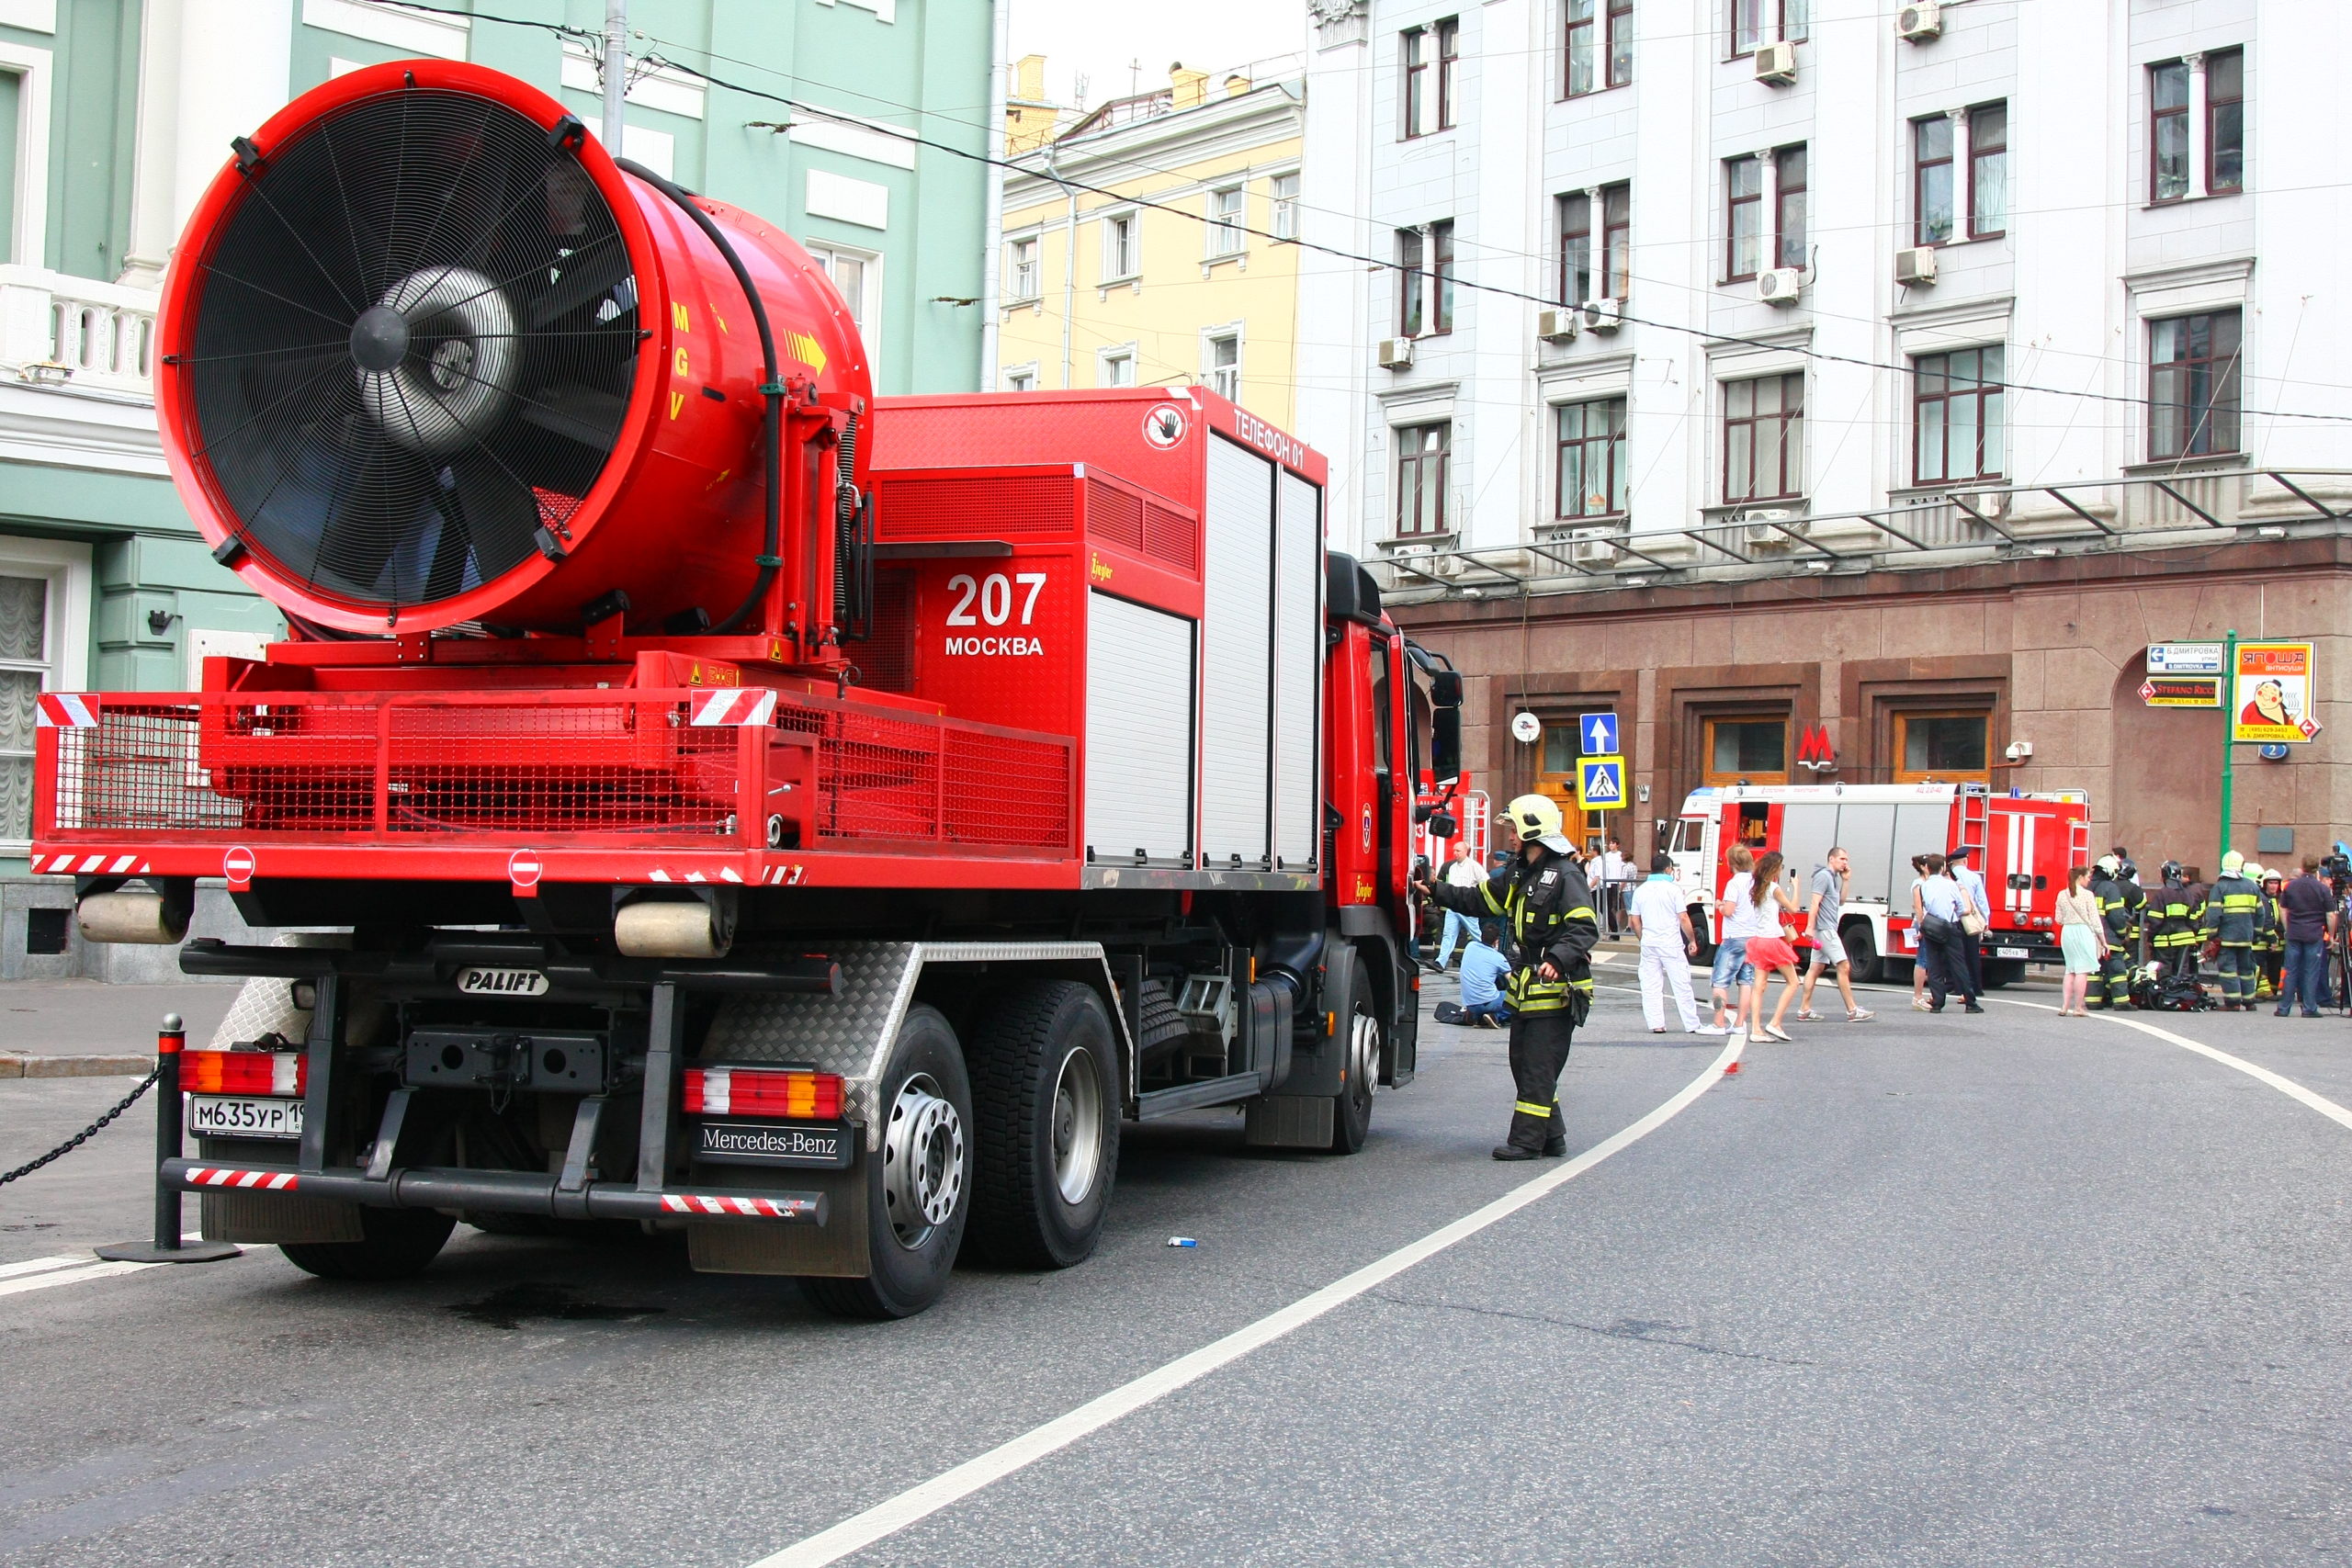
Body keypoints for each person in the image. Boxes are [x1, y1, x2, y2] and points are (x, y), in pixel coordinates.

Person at [1418, 794, 1600, 1160]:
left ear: (1533, 829)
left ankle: (1526, 1142)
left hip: (1557, 987)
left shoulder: (1566, 875)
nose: (1511, 836)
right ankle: (1552, 1137)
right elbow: (1480, 900)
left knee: (1536, 1064)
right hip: (1528, 986)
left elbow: (1584, 926)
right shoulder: (1521, 873)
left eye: (1515, 828)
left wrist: (1559, 959)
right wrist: (1436, 890)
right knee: (1525, 1061)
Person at [1796, 847, 1874, 1023]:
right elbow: (1814, 902)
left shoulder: (1833, 878)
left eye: (1846, 859)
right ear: (1831, 859)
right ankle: (1852, 1010)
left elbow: (1841, 901)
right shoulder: (1823, 876)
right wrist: (1809, 927)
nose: (1845, 862)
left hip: (1825, 928)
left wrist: (1845, 881)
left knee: (1815, 968)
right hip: (1825, 929)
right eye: (1842, 859)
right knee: (1844, 965)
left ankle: (1804, 1009)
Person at [1629, 852, 1702, 1033]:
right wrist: (1692, 939)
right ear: (1668, 869)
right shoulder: (1673, 889)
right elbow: (1683, 918)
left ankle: (1656, 1024)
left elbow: (1634, 921)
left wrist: (1642, 937)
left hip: (1649, 943)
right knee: (1681, 984)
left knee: (1651, 985)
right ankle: (1691, 1023)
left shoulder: (1641, 890)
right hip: (1671, 943)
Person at [1739, 851, 1807, 1043]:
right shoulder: (1774, 887)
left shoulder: (1756, 887)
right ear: (1775, 868)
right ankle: (1775, 1022)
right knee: (1793, 982)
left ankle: (1756, 1029)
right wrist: (1796, 887)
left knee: (1759, 986)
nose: (1782, 869)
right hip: (1772, 940)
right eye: (1781, 866)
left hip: (1758, 940)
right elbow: (1793, 908)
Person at [1701, 845, 1759, 1036]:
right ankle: (1740, 1024)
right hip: (1752, 936)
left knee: (1720, 981)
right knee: (1745, 981)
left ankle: (1719, 1023)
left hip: (1734, 936)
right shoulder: (1756, 882)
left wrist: (1719, 905)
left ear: (1732, 862)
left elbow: (1729, 911)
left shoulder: (1734, 883)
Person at [1916, 852, 1984, 1013]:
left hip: (1932, 927)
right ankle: (1970, 1002)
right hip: (1950, 927)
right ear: (1943, 867)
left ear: (1928, 868)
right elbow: (1960, 907)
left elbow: (1923, 906)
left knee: (1935, 965)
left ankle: (1938, 1002)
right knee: (1958, 964)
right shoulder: (1951, 885)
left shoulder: (1924, 886)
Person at [2201, 851, 2266, 1010]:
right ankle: (2249, 1002)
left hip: (2226, 937)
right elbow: (2260, 914)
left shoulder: (2220, 887)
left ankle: (2233, 1002)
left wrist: (2212, 934)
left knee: (2228, 969)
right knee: (2247, 969)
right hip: (2246, 937)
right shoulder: (2252, 886)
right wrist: (2256, 934)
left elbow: (2214, 914)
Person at [2278, 856, 2338, 1018]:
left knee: (2291, 970)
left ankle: (2284, 1008)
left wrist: (2287, 928)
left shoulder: (2291, 886)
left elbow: (2282, 909)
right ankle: (2309, 1007)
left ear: (2302, 866)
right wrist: (2331, 936)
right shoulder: (2322, 888)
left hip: (2295, 933)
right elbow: (2331, 915)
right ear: (2316, 868)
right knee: (2311, 971)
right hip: (2314, 933)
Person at [2053, 863, 2108, 1017]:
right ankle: (2078, 1007)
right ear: (2080, 877)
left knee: (2070, 969)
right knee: (2082, 971)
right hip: (2083, 931)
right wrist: (2103, 940)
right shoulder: (2087, 895)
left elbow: (2058, 919)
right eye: (2088, 877)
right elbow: (2095, 920)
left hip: (2068, 932)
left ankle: (2064, 1006)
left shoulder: (2062, 895)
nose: (2089, 880)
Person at [2087, 855, 2137, 1010]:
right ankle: (2121, 1002)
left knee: (2095, 970)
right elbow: (2116, 916)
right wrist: (2122, 933)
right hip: (2108, 938)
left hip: (2089, 938)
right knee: (2118, 969)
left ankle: (2093, 1001)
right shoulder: (2110, 888)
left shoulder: (2086, 887)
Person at [2145, 862, 2206, 982]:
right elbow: (2193, 920)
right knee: (2182, 974)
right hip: (2185, 941)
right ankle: (2180, 997)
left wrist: (2150, 938)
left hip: (2165, 942)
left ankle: (2166, 997)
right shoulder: (2188, 894)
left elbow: (2155, 921)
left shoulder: (2162, 894)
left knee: (2165, 974)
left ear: (2164, 876)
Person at [1428, 840, 1484, 971]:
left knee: (1476, 934)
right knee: (1448, 934)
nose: (1455, 853)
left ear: (1465, 852)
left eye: (1458, 851)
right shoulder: (1452, 868)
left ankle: (1492, 959)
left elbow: (1485, 882)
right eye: (1454, 850)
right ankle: (1440, 962)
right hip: (1453, 906)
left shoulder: (1474, 866)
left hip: (1468, 906)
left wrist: (1477, 900)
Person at [1946, 845, 1991, 997]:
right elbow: (1981, 900)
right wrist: (1985, 918)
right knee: (1972, 953)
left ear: (1953, 862)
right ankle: (1976, 986)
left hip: (1954, 919)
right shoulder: (1974, 877)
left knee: (1956, 954)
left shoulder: (1948, 877)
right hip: (1970, 919)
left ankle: (1956, 986)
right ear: (1965, 861)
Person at [1456, 919, 1514, 1028]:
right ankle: (1496, 1017)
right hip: (1489, 1003)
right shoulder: (1498, 957)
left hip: (1470, 1004)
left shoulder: (1470, 946)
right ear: (1497, 941)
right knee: (1516, 998)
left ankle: (1477, 1018)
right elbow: (1511, 980)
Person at [1905, 853, 1934, 1011]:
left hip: (1931, 921)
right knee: (1922, 959)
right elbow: (1918, 907)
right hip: (1922, 921)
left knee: (1930, 958)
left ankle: (1930, 994)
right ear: (1923, 867)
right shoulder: (1919, 883)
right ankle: (1918, 996)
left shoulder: (1931, 882)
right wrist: (1921, 926)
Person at [2256, 866, 2287, 1001]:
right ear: (2265, 884)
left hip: (2280, 939)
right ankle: (2260, 990)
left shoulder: (2282, 899)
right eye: (2271, 883)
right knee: (2262, 966)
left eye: (2276, 883)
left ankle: (2272, 991)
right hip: (2263, 940)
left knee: (2276, 966)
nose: (2273, 886)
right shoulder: (2262, 899)